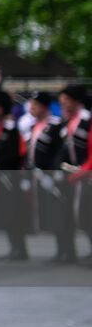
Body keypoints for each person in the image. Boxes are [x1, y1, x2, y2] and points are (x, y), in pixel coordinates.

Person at [25, 93, 74, 264]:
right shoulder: (33, 127)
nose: (32, 108)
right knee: (52, 214)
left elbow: (59, 151)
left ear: (43, 107)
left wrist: (55, 172)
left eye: (35, 105)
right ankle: (60, 249)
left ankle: (69, 250)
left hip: (53, 176)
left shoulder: (54, 125)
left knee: (62, 213)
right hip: (39, 176)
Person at [0, 90, 29, 261]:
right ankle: (13, 246)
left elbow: (16, 154)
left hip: (10, 176)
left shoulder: (11, 129)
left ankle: (20, 248)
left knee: (15, 213)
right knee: (5, 213)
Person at [59, 84, 92, 263]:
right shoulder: (68, 122)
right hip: (73, 176)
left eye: (66, 101)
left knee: (87, 216)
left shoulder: (88, 121)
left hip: (86, 176)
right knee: (72, 215)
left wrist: (83, 171)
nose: (62, 104)